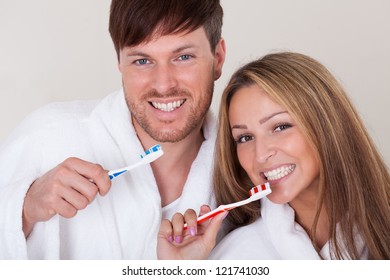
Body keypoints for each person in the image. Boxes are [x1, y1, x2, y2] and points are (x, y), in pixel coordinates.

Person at [0, 0, 226, 259]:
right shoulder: (46, 137)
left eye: (183, 57)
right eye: (142, 61)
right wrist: (24, 209)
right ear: (119, 61)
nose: (163, 85)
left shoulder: (247, 173)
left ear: (217, 59)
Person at [157, 52, 390, 260]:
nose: (260, 155)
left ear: (326, 126)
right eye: (245, 138)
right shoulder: (236, 257)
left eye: (280, 127)